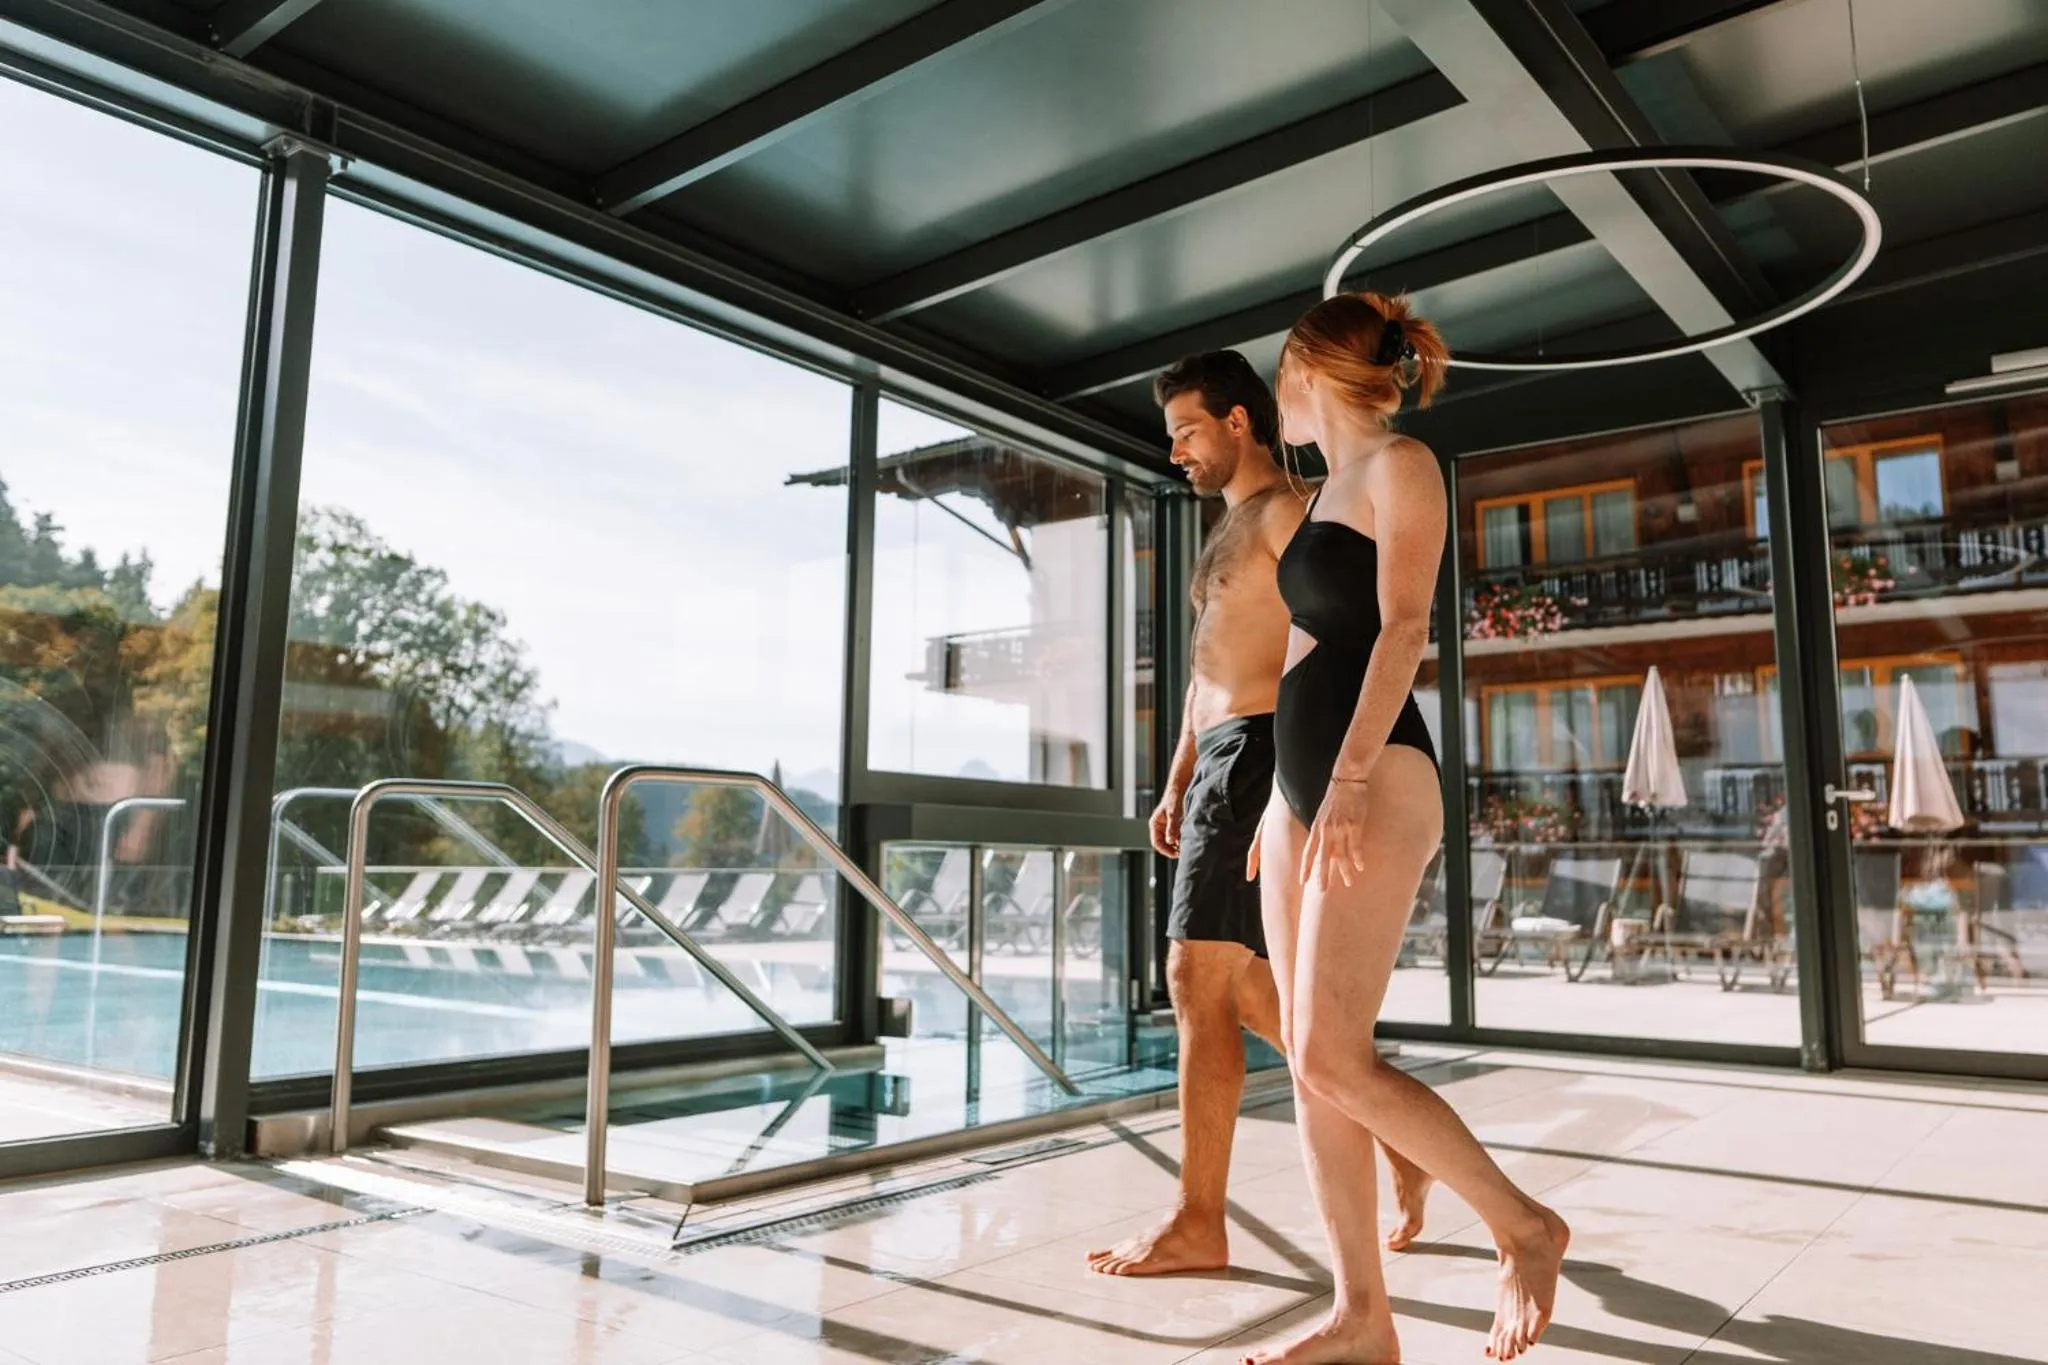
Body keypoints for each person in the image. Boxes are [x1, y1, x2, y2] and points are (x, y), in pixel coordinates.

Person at [1247, 294, 1569, 1364]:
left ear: (1305, 370)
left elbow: (1401, 628)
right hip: (1302, 788)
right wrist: (1274, 800)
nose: (1270, 397)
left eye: (1275, 379)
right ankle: (1359, 1317)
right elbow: (1304, 650)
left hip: (1372, 773)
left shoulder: (1399, 464)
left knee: (1333, 1054)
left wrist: (1337, 777)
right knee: (1306, 1061)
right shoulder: (1323, 487)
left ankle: (1522, 1225)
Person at [1089, 351, 1429, 1280]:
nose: (1176, 453)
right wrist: (1176, 777)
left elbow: (1327, 646)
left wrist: (1319, 778)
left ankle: (1200, 1219)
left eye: (1188, 430)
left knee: (1194, 976)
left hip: (1262, 756)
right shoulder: (1229, 527)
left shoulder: (1290, 514)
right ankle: (1400, 1136)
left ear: (1240, 421)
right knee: (1235, 989)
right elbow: (1210, 670)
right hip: (1217, 762)